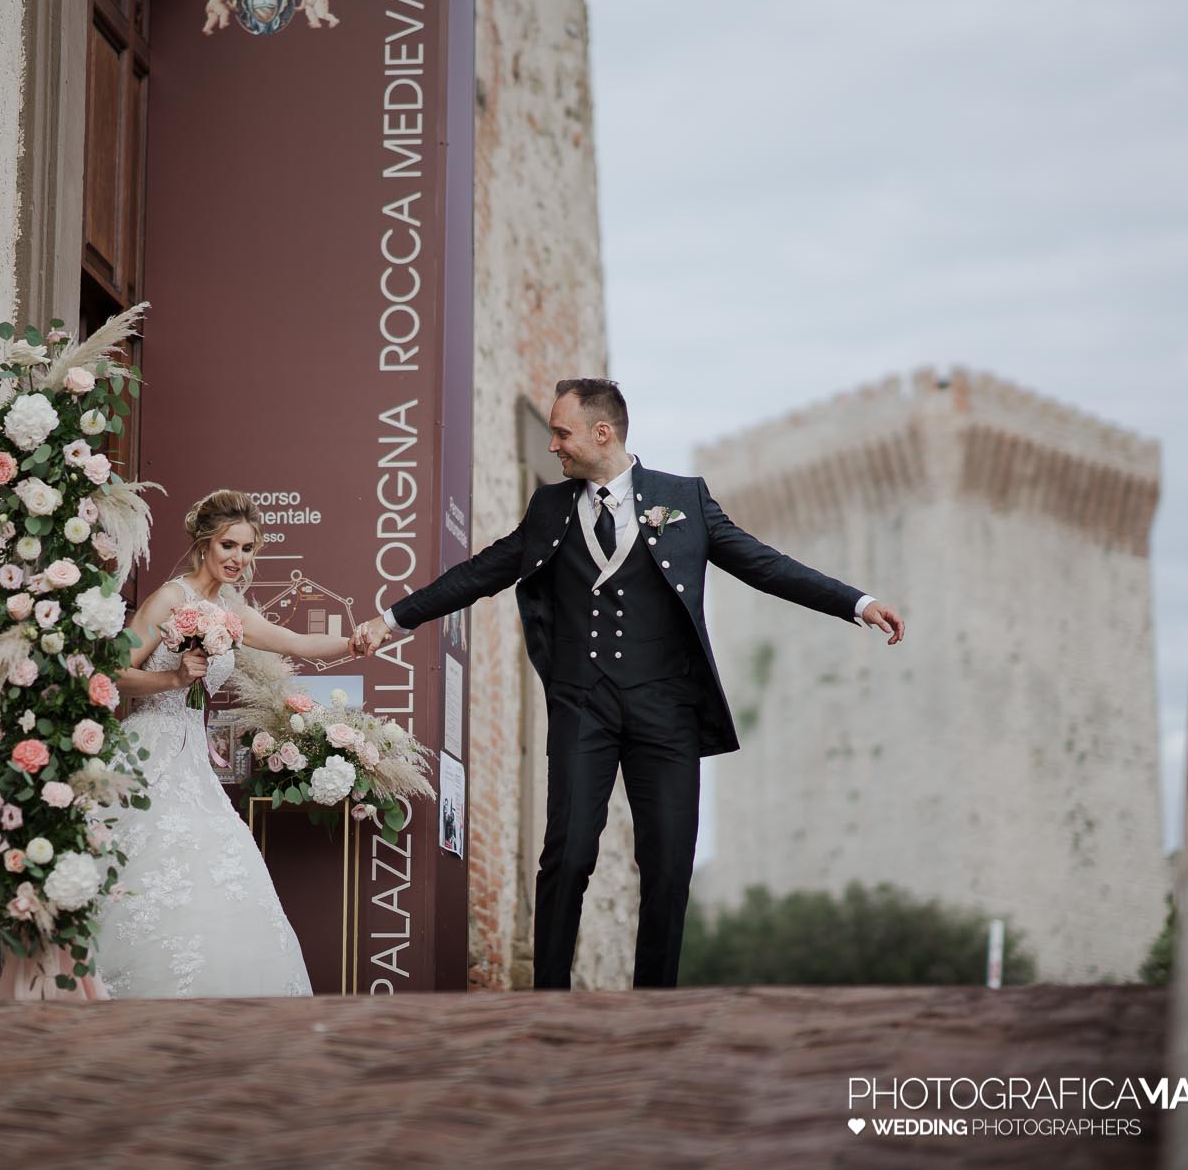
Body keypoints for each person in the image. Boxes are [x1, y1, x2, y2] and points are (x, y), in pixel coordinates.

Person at [356, 379, 904, 989]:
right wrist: (392, 620)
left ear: (602, 432)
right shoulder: (550, 508)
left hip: (666, 709)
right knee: (567, 852)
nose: (553, 445)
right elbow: (483, 571)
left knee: (669, 863)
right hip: (581, 704)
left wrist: (857, 602)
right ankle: (549, 996)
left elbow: (765, 565)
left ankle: (655, 1005)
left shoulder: (685, 500)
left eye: (561, 433)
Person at [94, 489, 371, 997]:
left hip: (193, 762)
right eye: (229, 545)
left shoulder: (230, 611)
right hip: (147, 752)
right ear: (204, 545)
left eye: (247, 549)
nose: (238, 558)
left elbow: (297, 643)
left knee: (215, 875)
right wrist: (173, 680)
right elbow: (110, 675)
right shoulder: (171, 599)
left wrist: (354, 641)